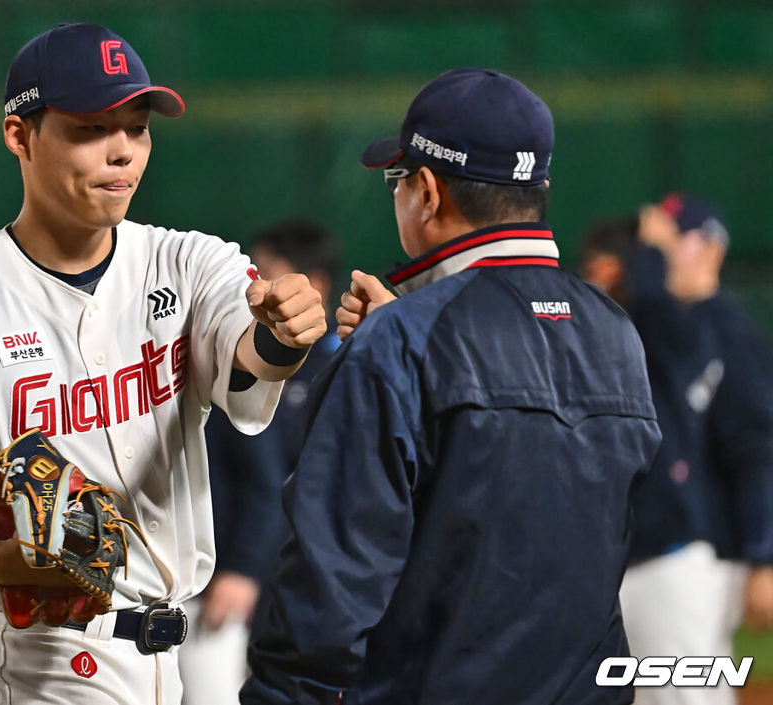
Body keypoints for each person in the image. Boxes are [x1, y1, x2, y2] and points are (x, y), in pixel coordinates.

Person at [0, 23, 326, 705]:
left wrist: (286, 333)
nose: (122, 150)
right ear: (19, 136)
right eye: (93, 128)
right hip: (36, 666)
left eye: (137, 126)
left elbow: (247, 361)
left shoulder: (189, 263)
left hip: (171, 656)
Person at [241, 68, 662, 705]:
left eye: (397, 179)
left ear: (428, 193)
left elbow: (330, 581)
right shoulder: (615, 330)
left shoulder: (402, 342)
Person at [581, 201, 773, 705]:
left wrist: (761, 554)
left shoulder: (717, 331)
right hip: (669, 555)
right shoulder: (654, 332)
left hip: (693, 556)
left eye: (673, 241)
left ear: (711, 246)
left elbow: (756, 451)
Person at [180, 220, 341, 705]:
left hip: (316, 578)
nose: (256, 284)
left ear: (314, 284)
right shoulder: (244, 358)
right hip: (234, 569)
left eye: (268, 271)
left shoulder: (347, 366)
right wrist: (245, 566)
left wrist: (246, 567)